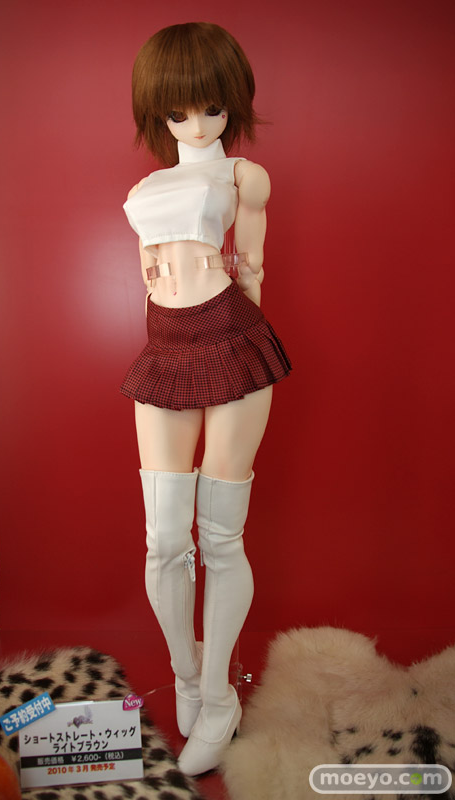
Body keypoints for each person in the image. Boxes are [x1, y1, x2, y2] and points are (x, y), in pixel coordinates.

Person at [121, 22, 291, 776]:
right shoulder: (145, 189)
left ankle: (218, 696)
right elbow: (148, 274)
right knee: (164, 538)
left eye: (212, 108)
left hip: (228, 336)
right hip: (165, 346)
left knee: (220, 537)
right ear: (157, 113)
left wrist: (241, 336)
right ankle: (188, 676)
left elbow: (251, 267)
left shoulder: (244, 176)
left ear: (232, 105)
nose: (196, 124)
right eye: (178, 111)